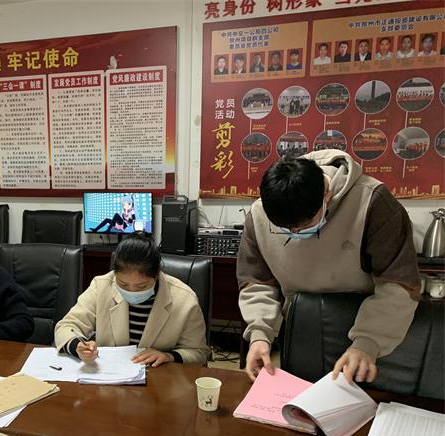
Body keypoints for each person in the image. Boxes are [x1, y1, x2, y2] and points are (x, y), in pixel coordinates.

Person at [236, 150, 420, 385]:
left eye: (305, 226)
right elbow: (257, 282)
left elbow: (398, 284)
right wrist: (260, 335)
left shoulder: (372, 202)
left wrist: (368, 342)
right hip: (301, 324)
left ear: (327, 196)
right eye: (284, 230)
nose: (295, 234)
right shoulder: (260, 212)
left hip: (368, 323)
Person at [54, 235, 209, 366]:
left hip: (160, 380)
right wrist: (78, 346)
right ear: (114, 273)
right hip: (109, 377)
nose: (132, 291)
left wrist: (169, 356)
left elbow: (199, 353)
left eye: (141, 286)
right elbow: (67, 326)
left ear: (156, 274)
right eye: (123, 284)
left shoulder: (184, 299)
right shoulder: (101, 286)